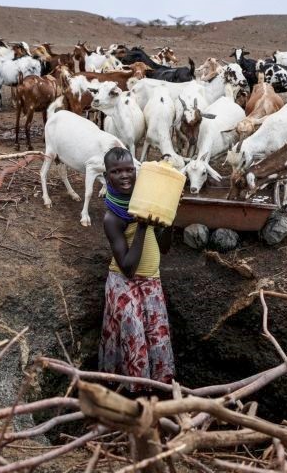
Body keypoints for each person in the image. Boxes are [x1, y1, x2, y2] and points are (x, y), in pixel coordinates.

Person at [99, 147, 175, 394]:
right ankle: (133, 396)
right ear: (106, 176)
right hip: (125, 285)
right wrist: (142, 225)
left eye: (129, 170)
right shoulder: (112, 218)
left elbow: (164, 248)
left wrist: (168, 216)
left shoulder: (145, 201)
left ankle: (156, 393)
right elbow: (129, 268)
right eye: (116, 171)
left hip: (151, 283)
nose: (124, 175)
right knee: (133, 343)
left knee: (156, 341)